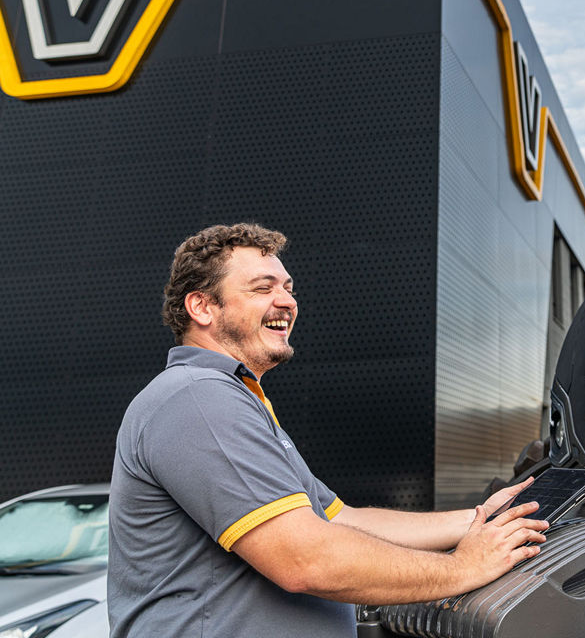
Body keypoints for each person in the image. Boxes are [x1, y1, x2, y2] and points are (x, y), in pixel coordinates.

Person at [108, 224, 548, 638]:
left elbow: (342, 519)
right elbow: (306, 559)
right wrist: (463, 569)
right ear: (201, 306)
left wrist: (476, 520)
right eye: (263, 288)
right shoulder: (199, 399)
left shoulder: (235, 399)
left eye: (288, 288)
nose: (286, 301)